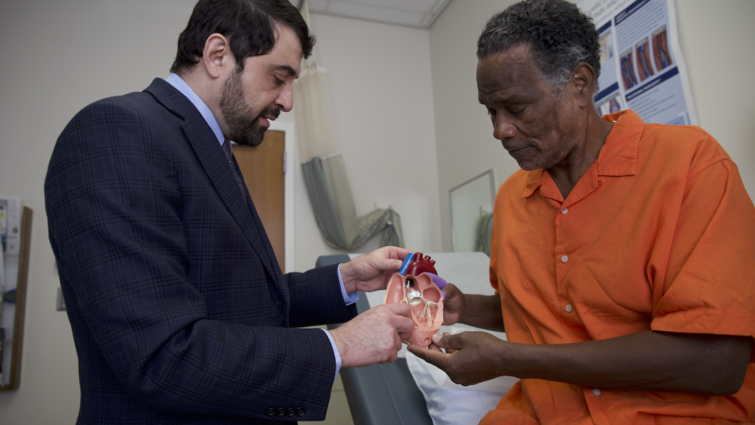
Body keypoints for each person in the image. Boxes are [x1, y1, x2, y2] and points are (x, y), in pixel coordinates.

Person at [44, 0, 415, 423]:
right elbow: (164, 354)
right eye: (279, 78)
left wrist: (345, 280)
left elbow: (242, 301)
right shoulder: (117, 132)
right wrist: (339, 346)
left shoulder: (210, 147)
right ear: (217, 55)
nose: (288, 101)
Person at [409, 0, 755, 423]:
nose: (500, 130)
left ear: (580, 84)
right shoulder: (512, 199)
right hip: (544, 410)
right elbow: (541, 308)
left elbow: (717, 361)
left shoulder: (690, 166)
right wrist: (466, 308)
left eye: (516, 108)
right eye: (491, 111)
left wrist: (512, 359)